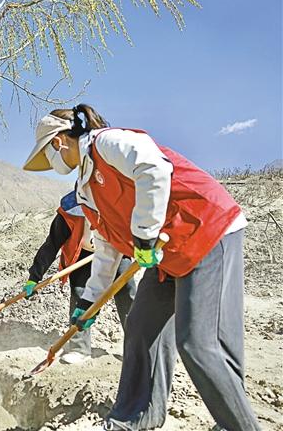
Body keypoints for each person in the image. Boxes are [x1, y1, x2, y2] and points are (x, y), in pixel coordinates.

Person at [22, 104, 260, 431]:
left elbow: (153, 169)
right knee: (141, 326)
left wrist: (144, 236)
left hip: (205, 227)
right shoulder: (85, 190)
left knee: (199, 342)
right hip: (167, 252)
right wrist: (90, 302)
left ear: (59, 141)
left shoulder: (107, 143)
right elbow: (106, 247)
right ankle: (136, 416)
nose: (50, 163)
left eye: (48, 154)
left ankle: (238, 425)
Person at [22, 190, 136, 364]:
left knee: (126, 291)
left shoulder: (117, 204)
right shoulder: (69, 212)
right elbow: (51, 245)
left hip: (116, 250)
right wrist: (34, 277)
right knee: (79, 293)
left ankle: (137, 347)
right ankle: (79, 348)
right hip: (83, 254)